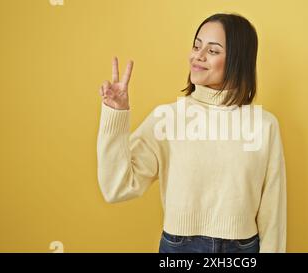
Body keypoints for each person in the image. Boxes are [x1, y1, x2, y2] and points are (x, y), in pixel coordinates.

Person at [97, 13, 287, 253]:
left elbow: (273, 212)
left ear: (237, 60)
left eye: (213, 50)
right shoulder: (168, 117)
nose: (198, 55)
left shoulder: (264, 125)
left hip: (243, 249)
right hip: (180, 249)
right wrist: (116, 115)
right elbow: (117, 187)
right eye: (197, 46)